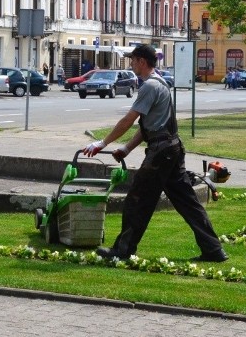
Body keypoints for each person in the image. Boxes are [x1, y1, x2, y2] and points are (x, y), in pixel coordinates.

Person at [83, 43, 228, 263]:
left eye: (133, 60)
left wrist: (102, 143)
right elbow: (149, 125)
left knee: (137, 200)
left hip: (161, 154)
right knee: (188, 203)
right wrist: (127, 148)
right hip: (172, 148)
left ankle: (123, 250)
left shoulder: (149, 86)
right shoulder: (160, 83)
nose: (131, 64)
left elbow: (128, 121)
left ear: (142, 61)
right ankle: (214, 250)